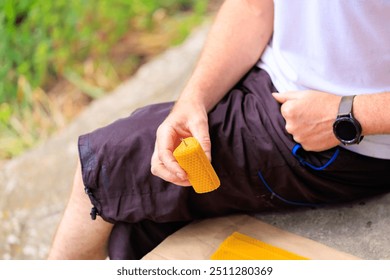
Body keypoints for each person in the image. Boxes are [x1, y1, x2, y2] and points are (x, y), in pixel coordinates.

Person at [48, 0, 390, 260]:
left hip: (343, 136)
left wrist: (348, 114)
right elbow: (253, 6)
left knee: (108, 166)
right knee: (134, 230)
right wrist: (193, 100)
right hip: (274, 78)